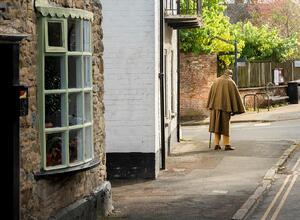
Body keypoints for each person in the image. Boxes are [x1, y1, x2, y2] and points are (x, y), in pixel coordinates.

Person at [206, 69, 245, 150]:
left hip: (215, 108)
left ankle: (216, 145)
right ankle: (227, 145)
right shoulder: (230, 82)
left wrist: (210, 105)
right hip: (225, 108)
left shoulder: (215, 81)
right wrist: (234, 109)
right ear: (230, 75)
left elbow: (211, 94)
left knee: (216, 126)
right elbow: (235, 97)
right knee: (225, 126)